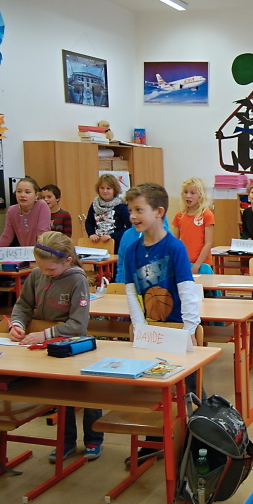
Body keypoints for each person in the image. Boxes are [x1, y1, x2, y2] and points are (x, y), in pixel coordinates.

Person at [8, 231, 101, 462]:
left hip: (73, 347)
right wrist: (17, 325)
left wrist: (44, 334)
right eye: (40, 268)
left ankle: (93, 439)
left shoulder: (77, 280)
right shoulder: (37, 275)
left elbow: (78, 324)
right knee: (61, 396)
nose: (45, 273)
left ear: (67, 261)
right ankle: (66, 442)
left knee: (87, 394)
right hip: (45, 347)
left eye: (50, 269)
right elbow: (23, 305)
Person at [124, 183, 200, 463]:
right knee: (152, 387)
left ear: (158, 212)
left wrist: (189, 330)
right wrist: (139, 327)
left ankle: (195, 440)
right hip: (150, 331)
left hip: (177, 329)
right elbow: (131, 292)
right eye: (131, 210)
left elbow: (187, 291)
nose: (133, 216)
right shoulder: (132, 250)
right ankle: (154, 441)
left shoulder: (174, 247)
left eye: (139, 210)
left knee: (187, 390)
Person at [0, 177, 51, 262]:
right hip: (26, 256)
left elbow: (42, 233)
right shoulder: (12, 210)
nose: (22, 195)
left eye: (27, 192)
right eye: (19, 191)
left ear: (36, 195)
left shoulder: (41, 205)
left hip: (43, 255)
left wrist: (42, 258)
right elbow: (6, 236)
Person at [172, 177, 215, 275]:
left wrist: (197, 265)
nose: (188, 196)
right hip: (184, 264)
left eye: (192, 193)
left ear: (200, 195)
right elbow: (175, 242)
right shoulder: (179, 216)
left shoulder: (206, 215)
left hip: (203, 265)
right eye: (185, 192)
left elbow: (208, 243)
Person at [85, 173, 130, 253]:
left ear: (114, 190)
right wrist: (91, 234)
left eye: (108, 188)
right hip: (98, 245)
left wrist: (111, 236)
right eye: (102, 188)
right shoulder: (95, 204)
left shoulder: (121, 206)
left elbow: (130, 227)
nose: (105, 191)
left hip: (116, 245)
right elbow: (89, 222)